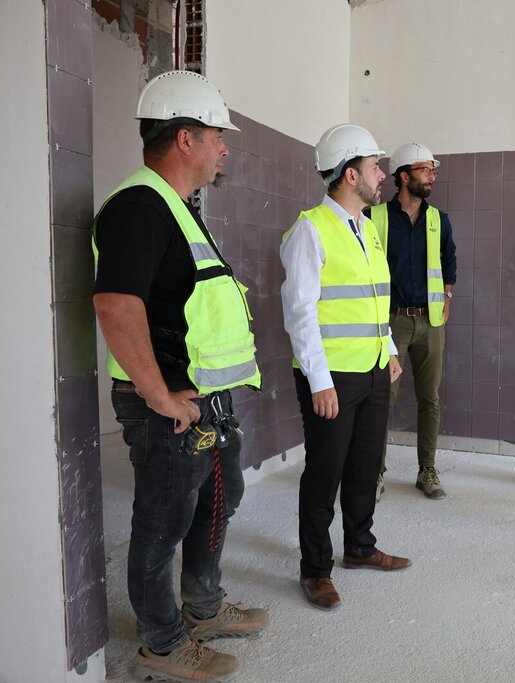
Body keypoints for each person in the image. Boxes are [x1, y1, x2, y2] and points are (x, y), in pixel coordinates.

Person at [93, 70, 268, 682]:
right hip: (168, 405)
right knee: (162, 523)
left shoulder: (176, 208)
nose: (225, 150)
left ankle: (203, 607)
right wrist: (160, 397)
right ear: (185, 138)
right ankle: (163, 645)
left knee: (218, 500)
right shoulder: (140, 206)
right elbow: (116, 305)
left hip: (204, 400)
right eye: (218, 137)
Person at [281, 123, 410, 612]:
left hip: (373, 368)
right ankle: (315, 569)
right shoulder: (310, 230)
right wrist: (319, 381)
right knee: (324, 473)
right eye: (375, 167)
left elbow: (375, 299)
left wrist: (389, 348)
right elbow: (300, 313)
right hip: (331, 376)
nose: (383, 175)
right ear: (350, 174)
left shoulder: (367, 229)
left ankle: (359, 546)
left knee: (364, 466)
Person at [367, 143, 457, 500]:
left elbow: (449, 261)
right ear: (403, 176)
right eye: (425, 170)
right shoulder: (374, 217)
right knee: (381, 399)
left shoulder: (438, 220)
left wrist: (447, 296)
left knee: (429, 399)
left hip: (430, 321)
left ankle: (427, 470)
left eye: (433, 170)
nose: (432, 176)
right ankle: (374, 472)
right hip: (390, 322)